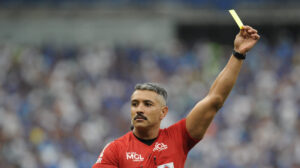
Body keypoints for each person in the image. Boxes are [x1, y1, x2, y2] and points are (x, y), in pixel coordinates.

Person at [92, 25, 260, 168]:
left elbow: (214, 100)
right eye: (135, 104)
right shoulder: (115, 150)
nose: (139, 109)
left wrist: (238, 54)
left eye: (147, 104)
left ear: (163, 112)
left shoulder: (178, 138)